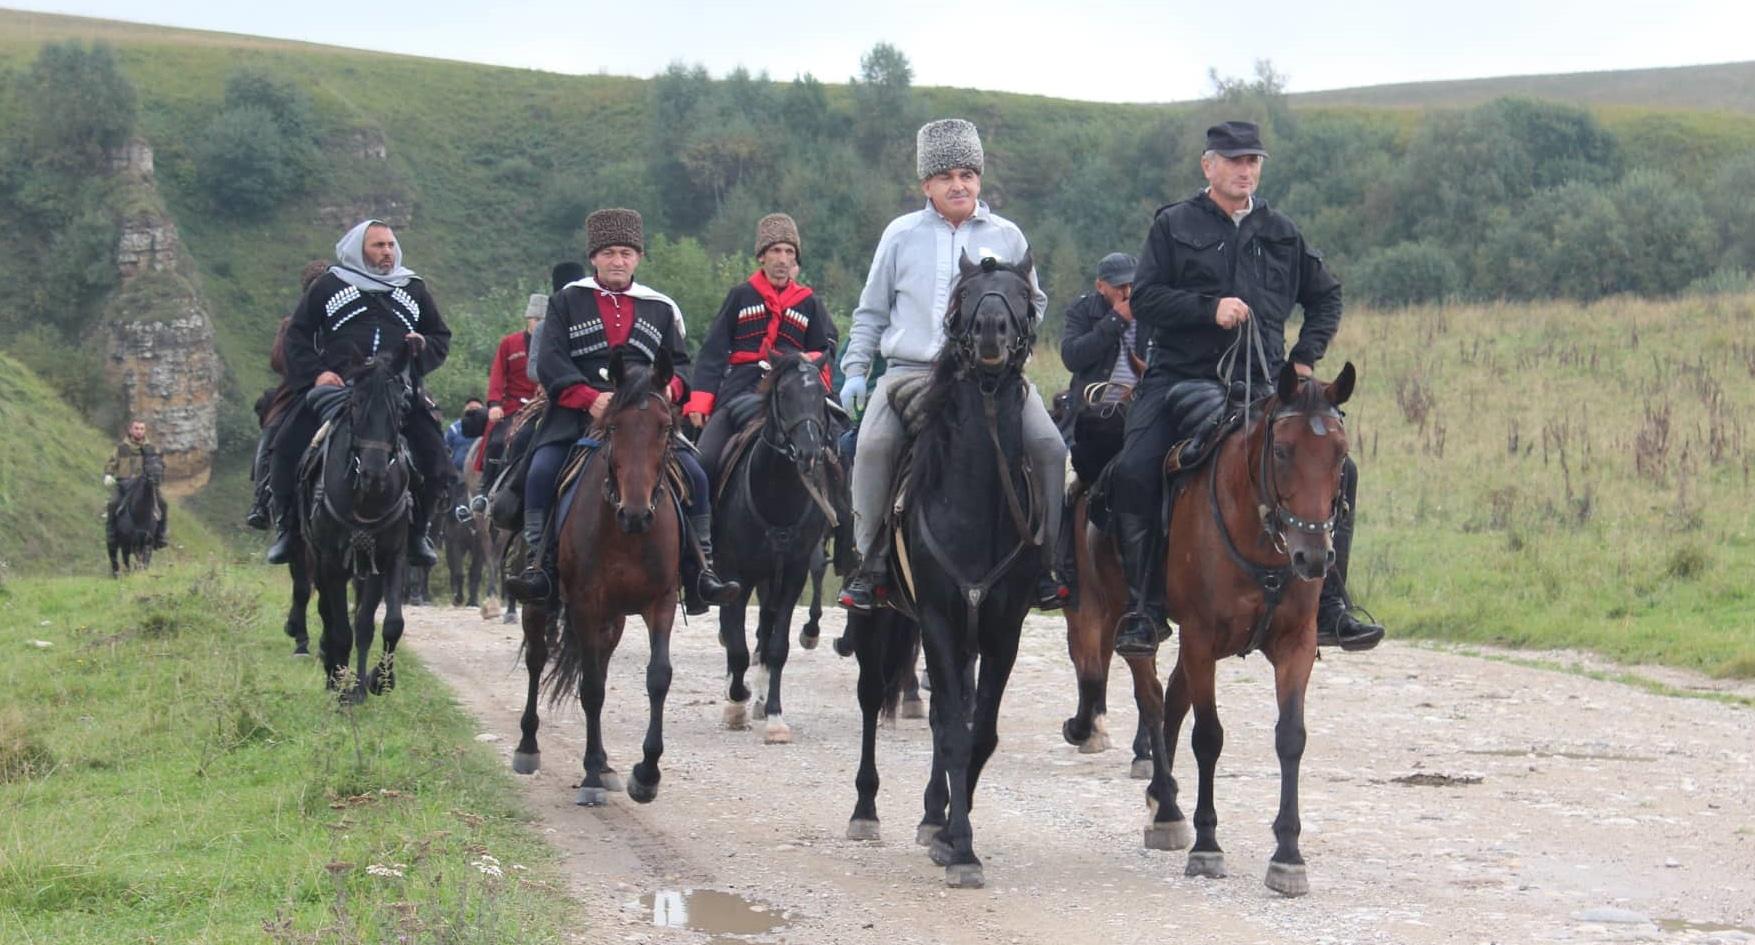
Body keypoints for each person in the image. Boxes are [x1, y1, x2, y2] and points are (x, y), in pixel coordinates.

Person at [1109, 120, 1384, 655]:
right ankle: (1144, 608)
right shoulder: (1173, 224)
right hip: (1178, 376)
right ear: (1208, 165)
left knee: (1342, 471)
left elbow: (1327, 296)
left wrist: (1304, 358)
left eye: (1253, 160)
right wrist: (1208, 309)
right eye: (1234, 160)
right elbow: (1144, 298)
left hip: (1263, 385)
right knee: (1135, 469)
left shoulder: (1281, 231)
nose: (1245, 170)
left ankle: (1331, 605)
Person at [837, 118, 1068, 611]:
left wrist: (1012, 349)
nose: (958, 184)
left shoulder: (1008, 236)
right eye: (945, 176)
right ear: (926, 185)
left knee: (1050, 446)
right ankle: (869, 563)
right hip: (909, 374)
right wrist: (855, 370)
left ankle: (1048, 565)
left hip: (993, 378)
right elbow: (871, 311)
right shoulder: (900, 235)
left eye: (967, 174)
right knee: (874, 447)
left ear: (979, 179)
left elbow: (1035, 302)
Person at [504, 208, 740, 614]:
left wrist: (668, 390)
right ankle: (539, 568)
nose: (618, 261)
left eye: (626, 253)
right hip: (578, 413)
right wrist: (588, 398)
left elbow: (681, 366)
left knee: (697, 477)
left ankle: (700, 571)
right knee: (541, 471)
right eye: (609, 253)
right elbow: (552, 362)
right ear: (594, 257)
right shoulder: (566, 302)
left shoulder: (660, 308)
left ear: (638, 258)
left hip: (644, 418)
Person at [265, 220, 452, 567]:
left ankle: (418, 533)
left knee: (436, 457)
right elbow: (298, 336)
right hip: (340, 388)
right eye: (378, 246)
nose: (387, 252)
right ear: (358, 250)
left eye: (390, 245)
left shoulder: (414, 288)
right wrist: (318, 373)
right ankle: (287, 529)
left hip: (396, 391)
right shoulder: (329, 285)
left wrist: (423, 346)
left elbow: (440, 335)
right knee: (286, 444)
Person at [687, 212, 837, 481]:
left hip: (794, 391)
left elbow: (825, 350)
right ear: (761, 256)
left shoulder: (809, 302)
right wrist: (700, 400)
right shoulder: (740, 295)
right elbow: (713, 351)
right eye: (775, 251)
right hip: (741, 387)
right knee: (703, 461)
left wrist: (805, 359)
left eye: (789, 252)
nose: (783, 259)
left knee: (839, 452)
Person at [1055, 251, 1145, 606]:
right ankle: (1060, 566)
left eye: (1131, 284)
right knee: (1063, 477)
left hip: (1138, 413)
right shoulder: (1084, 310)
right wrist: (1116, 321)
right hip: (1090, 415)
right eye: (1119, 286)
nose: (1127, 292)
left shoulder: (1151, 310)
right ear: (1101, 286)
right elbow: (1072, 355)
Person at [247, 259, 332, 530]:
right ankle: (263, 499)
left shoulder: (348, 321)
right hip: (298, 391)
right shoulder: (292, 324)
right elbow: (278, 361)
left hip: (342, 388)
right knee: (273, 435)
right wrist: (312, 369)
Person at [104, 418, 168, 550]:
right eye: (136, 428)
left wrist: (156, 476)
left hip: (145, 485)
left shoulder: (150, 448)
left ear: (145, 431)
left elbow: (157, 464)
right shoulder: (122, 448)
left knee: (162, 504)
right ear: (131, 430)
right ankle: (111, 534)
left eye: (142, 429)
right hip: (124, 484)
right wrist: (109, 474)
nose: (139, 431)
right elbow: (112, 462)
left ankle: (160, 535)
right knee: (113, 503)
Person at [447, 397, 486, 472]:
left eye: (477, 409)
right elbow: (448, 448)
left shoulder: (488, 428)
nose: (474, 411)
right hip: (458, 471)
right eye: (471, 408)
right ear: (465, 410)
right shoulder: (454, 428)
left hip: (480, 472)